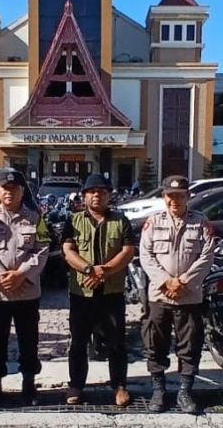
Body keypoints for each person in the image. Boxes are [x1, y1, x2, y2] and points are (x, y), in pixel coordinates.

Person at [0, 171, 50, 408]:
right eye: (4, 188)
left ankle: (29, 385)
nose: (9, 192)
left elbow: (42, 248)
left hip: (27, 291)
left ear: (22, 191)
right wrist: (1, 278)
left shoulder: (36, 218)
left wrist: (21, 275)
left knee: (29, 341)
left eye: (14, 188)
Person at [140, 175, 215, 414]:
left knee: (190, 344)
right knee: (154, 343)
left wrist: (183, 282)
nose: (175, 200)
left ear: (188, 196)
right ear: (164, 197)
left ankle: (184, 391)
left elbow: (207, 256)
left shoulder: (201, 223)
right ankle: (158, 390)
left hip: (189, 295)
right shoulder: (153, 222)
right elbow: (146, 255)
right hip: (159, 295)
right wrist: (166, 281)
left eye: (180, 195)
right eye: (170, 196)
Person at [61, 173, 135, 407]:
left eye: (102, 192)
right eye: (92, 192)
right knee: (78, 342)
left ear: (109, 196)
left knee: (117, 342)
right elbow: (68, 251)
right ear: (84, 196)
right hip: (82, 293)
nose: (97, 196)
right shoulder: (73, 220)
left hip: (111, 292)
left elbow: (128, 251)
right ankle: (76, 385)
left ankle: (119, 386)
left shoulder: (121, 221)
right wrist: (88, 269)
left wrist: (104, 271)